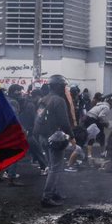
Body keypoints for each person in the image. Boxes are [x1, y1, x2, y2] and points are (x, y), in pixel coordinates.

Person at [34, 74, 75, 207]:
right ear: (58, 87)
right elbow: (64, 122)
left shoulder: (43, 99)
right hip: (55, 138)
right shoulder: (59, 100)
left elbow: (38, 119)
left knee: (52, 167)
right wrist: (72, 136)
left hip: (43, 137)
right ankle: (47, 197)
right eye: (63, 86)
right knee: (55, 168)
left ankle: (55, 191)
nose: (64, 89)